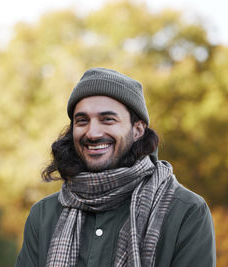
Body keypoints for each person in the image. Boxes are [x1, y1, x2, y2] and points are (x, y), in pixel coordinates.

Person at [15, 67, 216, 267]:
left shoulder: (186, 212)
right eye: (82, 121)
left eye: (107, 120)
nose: (92, 133)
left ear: (137, 130)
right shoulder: (44, 215)